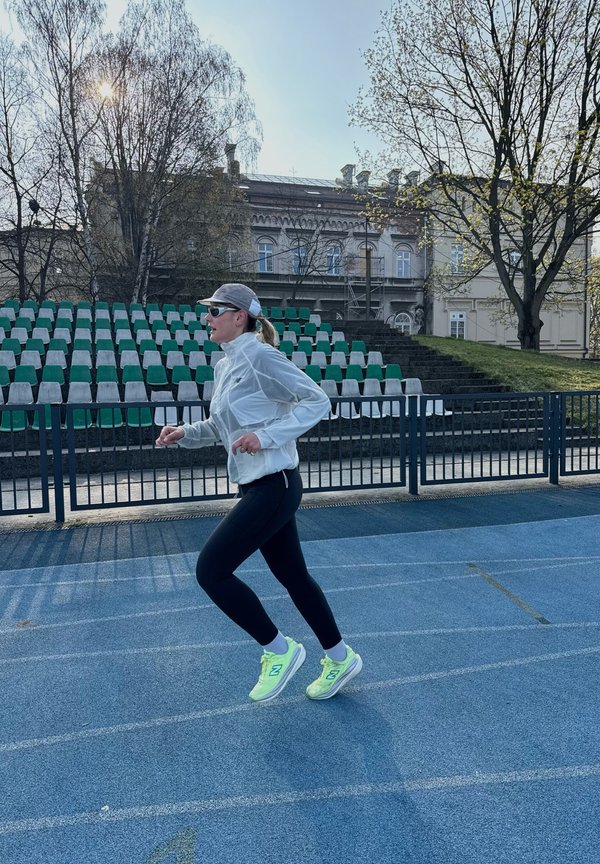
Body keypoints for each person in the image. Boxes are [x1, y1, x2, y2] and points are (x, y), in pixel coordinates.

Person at [156, 283, 362, 703]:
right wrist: (184, 434)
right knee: (293, 577)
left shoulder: (262, 356)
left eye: (214, 311)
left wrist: (266, 437)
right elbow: (222, 426)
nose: (207, 319)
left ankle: (278, 650)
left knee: (211, 571)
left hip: (276, 484)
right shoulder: (226, 364)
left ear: (239, 316)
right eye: (207, 311)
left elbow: (317, 401)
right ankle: (341, 657)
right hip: (259, 485)